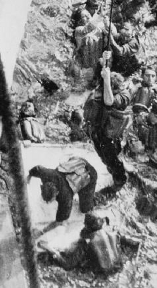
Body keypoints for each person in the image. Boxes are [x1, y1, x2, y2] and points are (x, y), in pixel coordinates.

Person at [85, 54, 131, 193]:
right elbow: (103, 72)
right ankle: (110, 169)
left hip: (111, 136)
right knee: (103, 156)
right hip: (99, 130)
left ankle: (119, 181)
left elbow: (109, 101)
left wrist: (106, 80)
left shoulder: (124, 96)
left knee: (113, 160)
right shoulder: (104, 87)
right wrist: (105, 60)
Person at [38, 211, 124, 275]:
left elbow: (68, 264)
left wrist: (49, 248)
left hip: (102, 274)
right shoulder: (112, 233)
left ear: (86, 226)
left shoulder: (85, 242)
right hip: (119, 267)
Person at [28, 156, 98, 229]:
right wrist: (29, 176)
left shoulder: (66, 198)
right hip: (76, 162)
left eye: (50, 200)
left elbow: (60, 221)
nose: (47, 202)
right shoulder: (47, 175)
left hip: (89, 174)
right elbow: (37, 169)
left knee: (85, 209)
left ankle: (99, 198)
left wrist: (43, 231)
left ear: (57, 193)